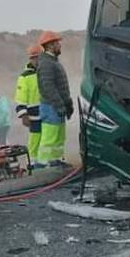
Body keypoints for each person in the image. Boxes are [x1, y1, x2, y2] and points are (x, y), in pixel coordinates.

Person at [36, 31, 72, 167]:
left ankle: (55, 161)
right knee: (50, 137)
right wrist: (59, 105)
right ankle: (43, 164)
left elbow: (61, 86)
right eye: (57, 43)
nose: (60, 45)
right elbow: (48, 87)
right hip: (51, 107)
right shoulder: (46, 63)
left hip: (56, 106)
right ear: (50, 45)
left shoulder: (53, 61)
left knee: (59, 136)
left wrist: (68, 104)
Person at [15, 45, 43, 167]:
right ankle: (33, 161)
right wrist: (23, 114)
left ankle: (45, 160)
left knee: (46, 138)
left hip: (46, 112)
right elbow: (21, 96)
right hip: (33, 115)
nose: (36, 61)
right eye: (34, 58)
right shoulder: (25, 76)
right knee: (35, 138)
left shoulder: (44, 73)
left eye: (38, 58)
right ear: (30, 59)